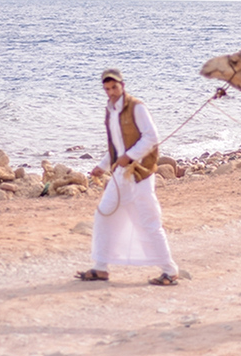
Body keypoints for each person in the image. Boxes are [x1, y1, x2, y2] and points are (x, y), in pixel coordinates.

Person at [75, 68, 180, 286]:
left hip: (140, 175)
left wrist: (130, 156)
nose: (111, 92)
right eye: (106, 89)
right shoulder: (110, 110)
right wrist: (102, 166)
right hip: (120, 175)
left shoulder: (137, 107)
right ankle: (101, 267)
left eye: (114, 87)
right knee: (104, 213)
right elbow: (115, 145)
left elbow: (151, 137)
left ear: (122, 85)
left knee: (149, 221)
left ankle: (170, 271)